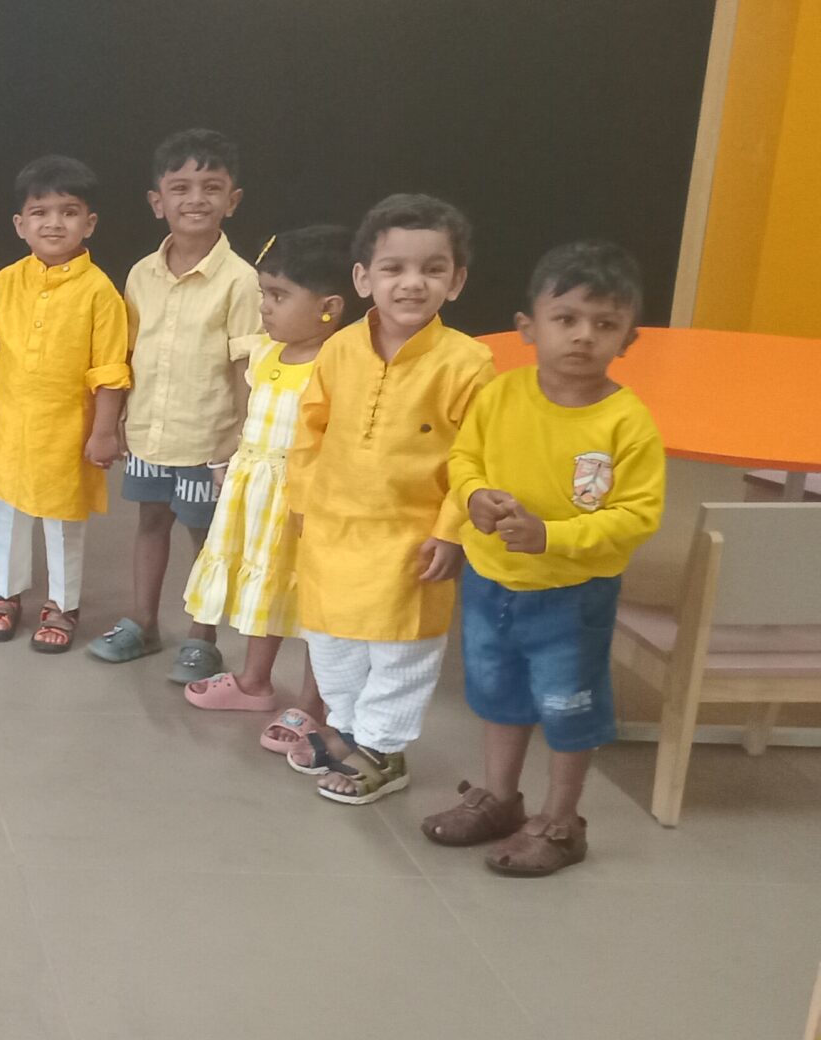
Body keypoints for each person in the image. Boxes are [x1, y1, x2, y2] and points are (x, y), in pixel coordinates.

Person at [423, 241, 663, 875]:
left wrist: (551, 536)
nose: (584, 335)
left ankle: (561, 823)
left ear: (628, 339)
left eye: (605, 324)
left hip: (572, 597)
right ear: (528, 327)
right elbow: (464, 459)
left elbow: (637, 516)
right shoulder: (500, 396)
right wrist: (473, 497)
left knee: (567, 707)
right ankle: (500, 801)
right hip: (491, 583)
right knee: (499, 695)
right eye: (566, 318)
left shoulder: (627, 423)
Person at [290, 194, 495, 805]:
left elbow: (479, 457)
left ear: (456, 282)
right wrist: (301, 502)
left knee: (400, 650)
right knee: (332, 640)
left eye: (432, 269)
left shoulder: (468, 363)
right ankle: (349, 729)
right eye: (393, 268)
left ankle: (383, 750)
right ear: (363, 278)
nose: (412, 283)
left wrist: (452, 531)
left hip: (413, 538)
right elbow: (309, 431)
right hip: (332, 530)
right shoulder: (339, 349)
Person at [89, 130, 263, 681]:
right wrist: (117, 418)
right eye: (180, 187)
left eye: (211, 187)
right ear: (156, 201)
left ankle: (202, 638)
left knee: (206, 539)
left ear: (232, 200)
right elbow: (126, 352)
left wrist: (239, 438)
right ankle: (143, 623)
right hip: (150, 433)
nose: (196, 199)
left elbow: (246, 366)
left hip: (208, 440)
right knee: (150, 523)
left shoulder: (241, 281)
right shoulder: (141, 274)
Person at [177, 226, 343, 761]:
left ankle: (314, 704)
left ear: (329, 307)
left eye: (279, 295)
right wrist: (230, 461)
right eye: (263, 294)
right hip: (255, 493)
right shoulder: (268, 352)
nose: (265, 307)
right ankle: (254, 681)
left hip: (302, 501)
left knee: (310, 598)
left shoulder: (338, 364)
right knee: (263, 586)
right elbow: (253, 418)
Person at [0, 157, 131, 653]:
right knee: (9, 513)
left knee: (63, 522)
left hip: (66, 432)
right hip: (10, 427)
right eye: (40, 212)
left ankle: (63, 604)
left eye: (69, 211)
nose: (54, 223)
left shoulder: (100, 292)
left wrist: (103, 431)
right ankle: (4, 593)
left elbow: (110, 370)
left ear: (90, 223)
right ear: (20, 225)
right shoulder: (5, 282)